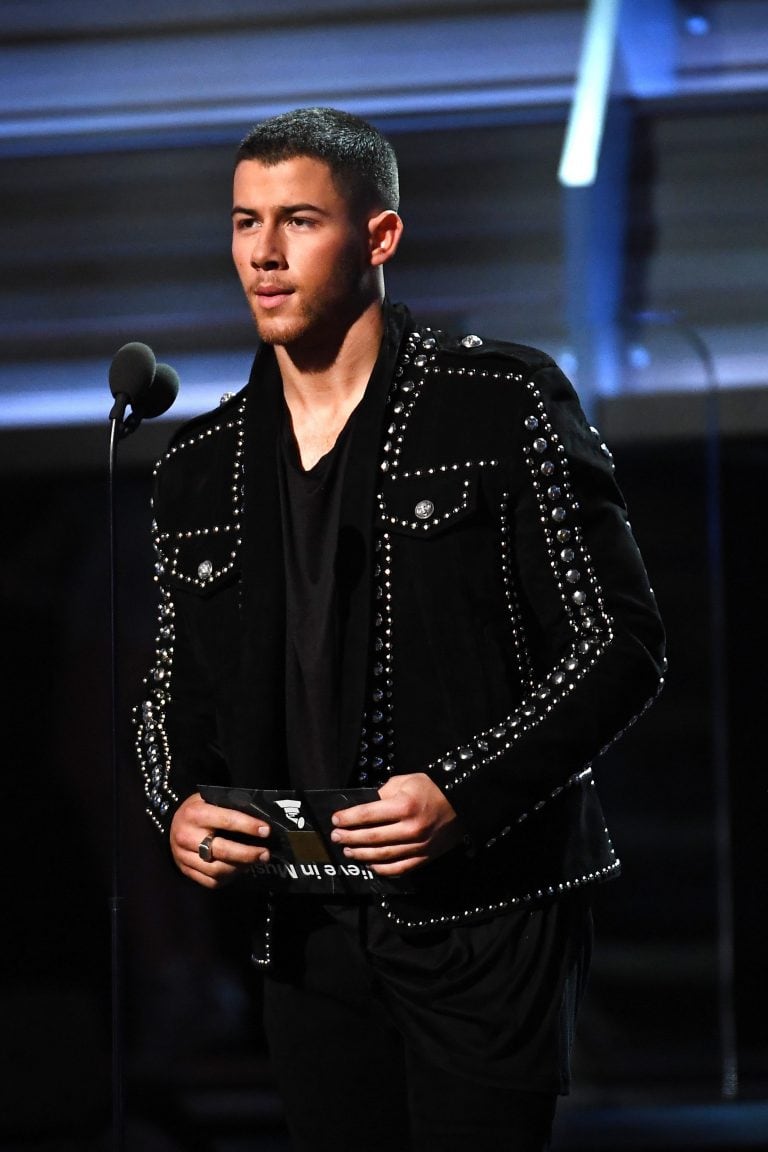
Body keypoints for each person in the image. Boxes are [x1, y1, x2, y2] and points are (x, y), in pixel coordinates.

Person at [134, 107, 666, 1151]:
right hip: (302, 918)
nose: (265, 255)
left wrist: (462, 795)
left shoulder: (498, 402)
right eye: (245, 223)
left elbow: (619, 644)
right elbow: (168, 696)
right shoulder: (196, 467)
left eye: (299, 221)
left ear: (379, 237)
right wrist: (176, 806)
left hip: (487, 913)